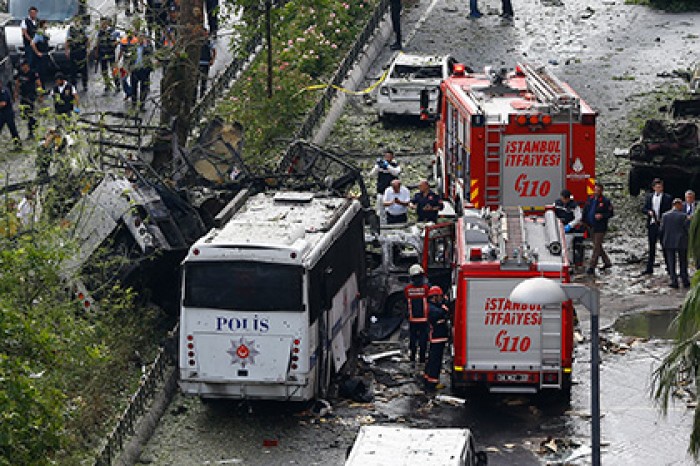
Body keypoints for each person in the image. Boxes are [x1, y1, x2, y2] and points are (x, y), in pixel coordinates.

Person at [641, 178, 673, 275]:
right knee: (651, 246)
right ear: (654, 188)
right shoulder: (649, 197)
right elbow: (644, 208)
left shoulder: (668, 197)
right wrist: (649, 212)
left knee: (665, 246)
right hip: (652, 224)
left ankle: (669, 267)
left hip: (663, 225)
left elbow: (670, 210)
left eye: (660, 187)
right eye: (657, 187)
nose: (659, 189)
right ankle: (649, 268)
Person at [582, 182, 613, 275]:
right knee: (598, 245)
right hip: (590, 226)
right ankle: (607, 262)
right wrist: (583, 221)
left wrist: (602, 215)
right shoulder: (590, 199)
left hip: (600, 227)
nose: (596, 192)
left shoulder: (605, 201)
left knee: (596, 247)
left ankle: (592, 266)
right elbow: (586, 210)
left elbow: (610, 213)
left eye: (598, 190)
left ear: (601, 191)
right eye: (595, 190)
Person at [659, 198, 690, 289]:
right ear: (679, 205)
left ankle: (674, 280)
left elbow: (661, 229)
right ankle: (684, 280)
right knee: (683, 261)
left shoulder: (665, 216)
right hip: (681, 241)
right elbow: (687, 229)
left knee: (671, 262)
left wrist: (662, 240)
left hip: (668, 241)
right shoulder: (684, 216)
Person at [423, 285, 449, 392]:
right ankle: (432, 384)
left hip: (438, 338)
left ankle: (427, 378)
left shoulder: (433, 306)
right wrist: (445, 307)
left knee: (432, 360)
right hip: (437, 338)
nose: (441, 298)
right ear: (434, 297)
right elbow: (441, 313)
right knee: (435, 361)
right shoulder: (433, 309)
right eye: (439, 296)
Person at [404, 264, 429, 367]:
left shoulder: (407, 289)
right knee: (423, 340)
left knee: (413, 339)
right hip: (424, 319)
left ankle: (413, 357)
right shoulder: (426, 289)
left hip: (412, 319)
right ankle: (422, 359)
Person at [554, 189, 583, 265]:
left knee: (567, 247)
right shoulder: (557, 203)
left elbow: (578, 217)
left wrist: (570, 225)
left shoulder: (574, 206)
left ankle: (568, 263)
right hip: (559, 228)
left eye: (564, 199)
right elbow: (552, 213)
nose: (563, 200)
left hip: (569, 230)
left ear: (567, 198)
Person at [369, 149, 401, 218]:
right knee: (380, 210)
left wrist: (387, 166)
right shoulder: (380, 164)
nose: (387, 158)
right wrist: (377, 166)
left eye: (389, 156)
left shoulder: (395, 164)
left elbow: (396, 172)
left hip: (391, 192)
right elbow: (371, 174)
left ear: (392, 157)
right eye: (386, 156)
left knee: (390, 209)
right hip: (381, 190)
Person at [14, 61, 41, 139]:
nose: (23, 68)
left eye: (25, 66)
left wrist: (40, 94)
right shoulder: (20, 73)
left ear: (28, 66)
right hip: (23, 95)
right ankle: (34, 122)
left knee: (29, 113)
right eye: (22, 66)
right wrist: (16, 93)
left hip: (31, 96)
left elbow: (38, 83)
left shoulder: (32, 73)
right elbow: (17, 83)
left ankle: (31, 132)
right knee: (23, 113)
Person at [128, 33, 154, 111]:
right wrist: (130, 67)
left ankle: (142, 105)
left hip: (144, 70)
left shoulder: (148, 47)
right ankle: (134, 104)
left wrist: (146, 45)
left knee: (144, 88)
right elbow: (131, 57)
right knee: (134, 88)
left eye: (142, 38)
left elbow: (151, 53)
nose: (140, 40)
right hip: (135, 70)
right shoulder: (134, 47)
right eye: (139, 38)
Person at [95, 18, 121, 93]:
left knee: (114, 70)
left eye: (104, 23)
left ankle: (117, 84)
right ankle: (107, 84)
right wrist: (96, 53)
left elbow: (118, 41)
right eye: (101, 23)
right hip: (102, 54)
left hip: (110, 54)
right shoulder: (100, 32)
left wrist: (114, 44)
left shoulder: (111, 31)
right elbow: (98, 42)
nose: (102, 25)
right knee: (104, 71)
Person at [65, 19, 90, 92]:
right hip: (74, 51)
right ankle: (73, 85)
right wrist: (67, 51)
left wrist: (88, 49)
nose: (77, 22)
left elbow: (87, 39)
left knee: (84, 69)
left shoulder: (83, 29)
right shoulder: (71, 29)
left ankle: (84, 84)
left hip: (82, 51)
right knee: (73, 69)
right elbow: (67, 40)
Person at [30, 20, 51, 88]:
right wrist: (37, 52)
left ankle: (43, 87)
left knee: (44, 72)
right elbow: (32, 43)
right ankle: (41, 87)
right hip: (40, 57)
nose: (47, 25)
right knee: (40, 72)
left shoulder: (44, 33)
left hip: (45, 55)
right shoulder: (39, 33)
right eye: (46, 24)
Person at [0, 80, 21, 149]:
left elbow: (3, 103)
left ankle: (18, 145)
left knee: (13, 130)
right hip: (1, 114)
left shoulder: (4, 91)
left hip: (8, 113)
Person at [198, 30, 216, 99]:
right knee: (196, 80)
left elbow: (214, 50)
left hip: (206, 62)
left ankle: (202, 95)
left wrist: (212, 60)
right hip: (198, 63)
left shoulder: (209, 42)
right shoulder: (197, 41)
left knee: (204, 79)